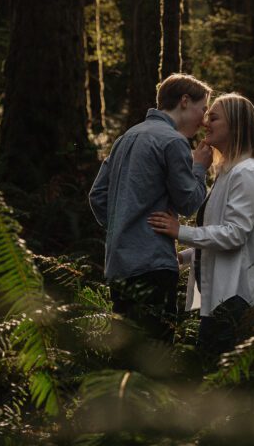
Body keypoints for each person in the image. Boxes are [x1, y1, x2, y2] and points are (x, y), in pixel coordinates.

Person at [148, 93, 254, 360]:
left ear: (236, 125)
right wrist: (184, 256)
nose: (206, 124)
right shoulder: (227, 172)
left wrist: (179, 231)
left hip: (239, 298)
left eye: (213, 117)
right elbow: (220, 238)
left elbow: (235, 235)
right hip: (219, 298)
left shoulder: (247, 172)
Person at [89, 73, 213, 341]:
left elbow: (97, 195)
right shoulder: (173, 141)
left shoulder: (126, 137)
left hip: (119, 265)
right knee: (155, 354)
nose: (204, 120)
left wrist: (122, 225)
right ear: (184, 101)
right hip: (152, 265)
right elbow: (188, 203)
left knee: (125, 351)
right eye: (202, 109)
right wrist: (200, 167)